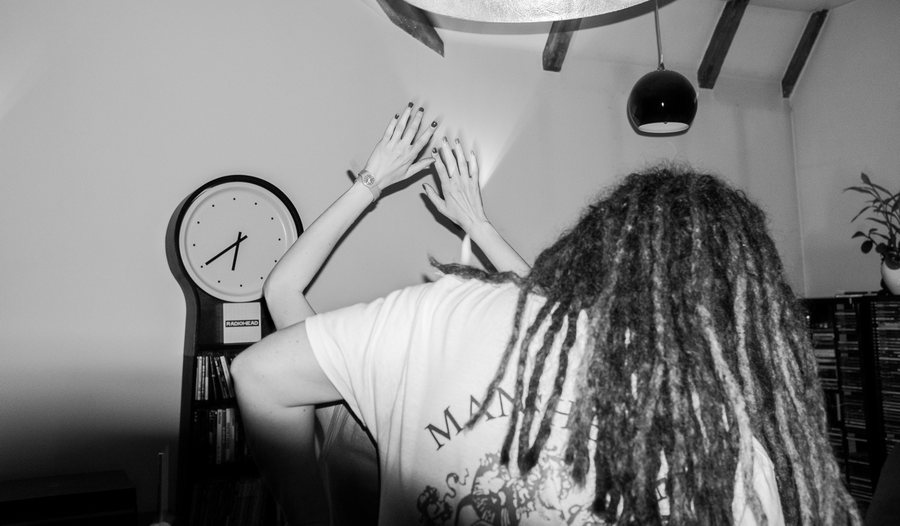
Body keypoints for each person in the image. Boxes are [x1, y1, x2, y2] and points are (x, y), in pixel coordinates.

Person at [232, 114, 862, 525]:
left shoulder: (416, 351)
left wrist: (467, 220)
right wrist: (376, 185)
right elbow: (554, 316)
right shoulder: (367, 379)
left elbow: (555, 323)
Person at [252, 101, 529, 525]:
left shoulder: (490, 409)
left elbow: (554, 319)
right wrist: (370, 183)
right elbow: (281, 290)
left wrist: (479, 225)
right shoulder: (348, 407)